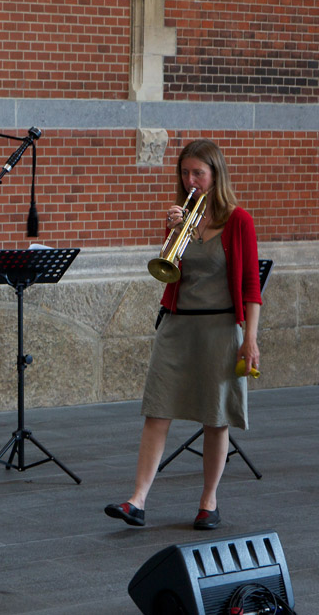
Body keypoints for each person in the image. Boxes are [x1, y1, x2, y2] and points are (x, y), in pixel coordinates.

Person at [105, 139, 261, 531]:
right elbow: (168, 269)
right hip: (177, 324)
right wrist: (175, 233)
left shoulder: (239, 220)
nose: (190, 180)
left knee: (215, 417)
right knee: (157, 410)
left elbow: (250, 286)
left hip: (221, 327)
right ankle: (137, 500)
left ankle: (209, 501)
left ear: (215, 174)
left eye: (198, 173)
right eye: (185, 172)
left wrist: (250, 338)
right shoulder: (182, 218)